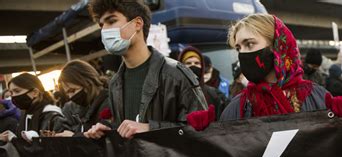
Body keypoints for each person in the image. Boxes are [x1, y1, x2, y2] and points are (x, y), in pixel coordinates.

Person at [85, 0, 207, 140]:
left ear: (137, 24)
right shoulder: (115, 83)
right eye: (101, 25)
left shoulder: (176, 75)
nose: (104, 30)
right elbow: (127, 130)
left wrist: (150, 129)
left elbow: (200, 130)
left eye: (111, 21)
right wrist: (109, 130)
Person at [215, 13, 342, 122]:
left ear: (277, 47)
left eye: (249, 44)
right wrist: (204, 133)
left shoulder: (316, 96)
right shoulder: (238, 107)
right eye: (239, 48)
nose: (243, 54)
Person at [1, 73, 65, 143]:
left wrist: (13, 139)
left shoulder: (52, 116)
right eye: (11, 93)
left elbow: (53, 149)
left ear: (35, 92)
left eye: (17, 91)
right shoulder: (25, 113)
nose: (13, 96)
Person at [58, 59, 111, 136]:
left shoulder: (109, 102)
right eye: (67, 93)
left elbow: (102, 139)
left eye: (73, 90)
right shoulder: (75, 109)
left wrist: (74, 137)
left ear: (87, 82)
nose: (70, 97)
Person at [178, 46, 228, 119]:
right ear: (181, 66)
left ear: (202, 66)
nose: (193, 65)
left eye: (196, 63)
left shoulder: (214, 94)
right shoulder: (173, 93)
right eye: (188, 63)